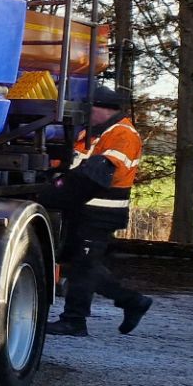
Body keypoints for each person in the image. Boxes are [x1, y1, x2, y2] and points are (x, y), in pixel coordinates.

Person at [41, 85, 152, 337]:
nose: (86, 113)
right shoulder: (96, 134)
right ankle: (132, 301)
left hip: (100, 213)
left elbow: (94, 177)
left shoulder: (122, 134)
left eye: (90, 108)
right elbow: (72, 166)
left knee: (84, 265)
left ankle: (74, 320)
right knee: (80, 263)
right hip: (86, 212)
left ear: (104, 109)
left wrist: (52, 193)